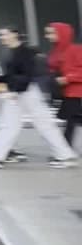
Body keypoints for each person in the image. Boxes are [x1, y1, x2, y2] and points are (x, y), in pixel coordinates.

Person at [0, 27, 78, 168]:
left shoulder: (24, 53)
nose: (1, 37)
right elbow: (15, 75)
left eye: (4, 34)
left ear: (14, 34)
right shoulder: (13, 52)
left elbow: (26, 75)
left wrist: (14, 90)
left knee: (33, 124)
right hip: (22, 92)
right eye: (0, 34)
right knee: (16, 124)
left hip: (25, 92)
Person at [46, 22, 82, 151]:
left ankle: (65, 150)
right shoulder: (54, 51)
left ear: (62, 34)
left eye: (51, 33)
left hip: (77, 92)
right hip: (66, 92)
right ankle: (65, 150)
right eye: (47, 33)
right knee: (73, 120)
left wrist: (68, 78)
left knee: (71, 122)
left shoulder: (75, 50)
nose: (48, 36)